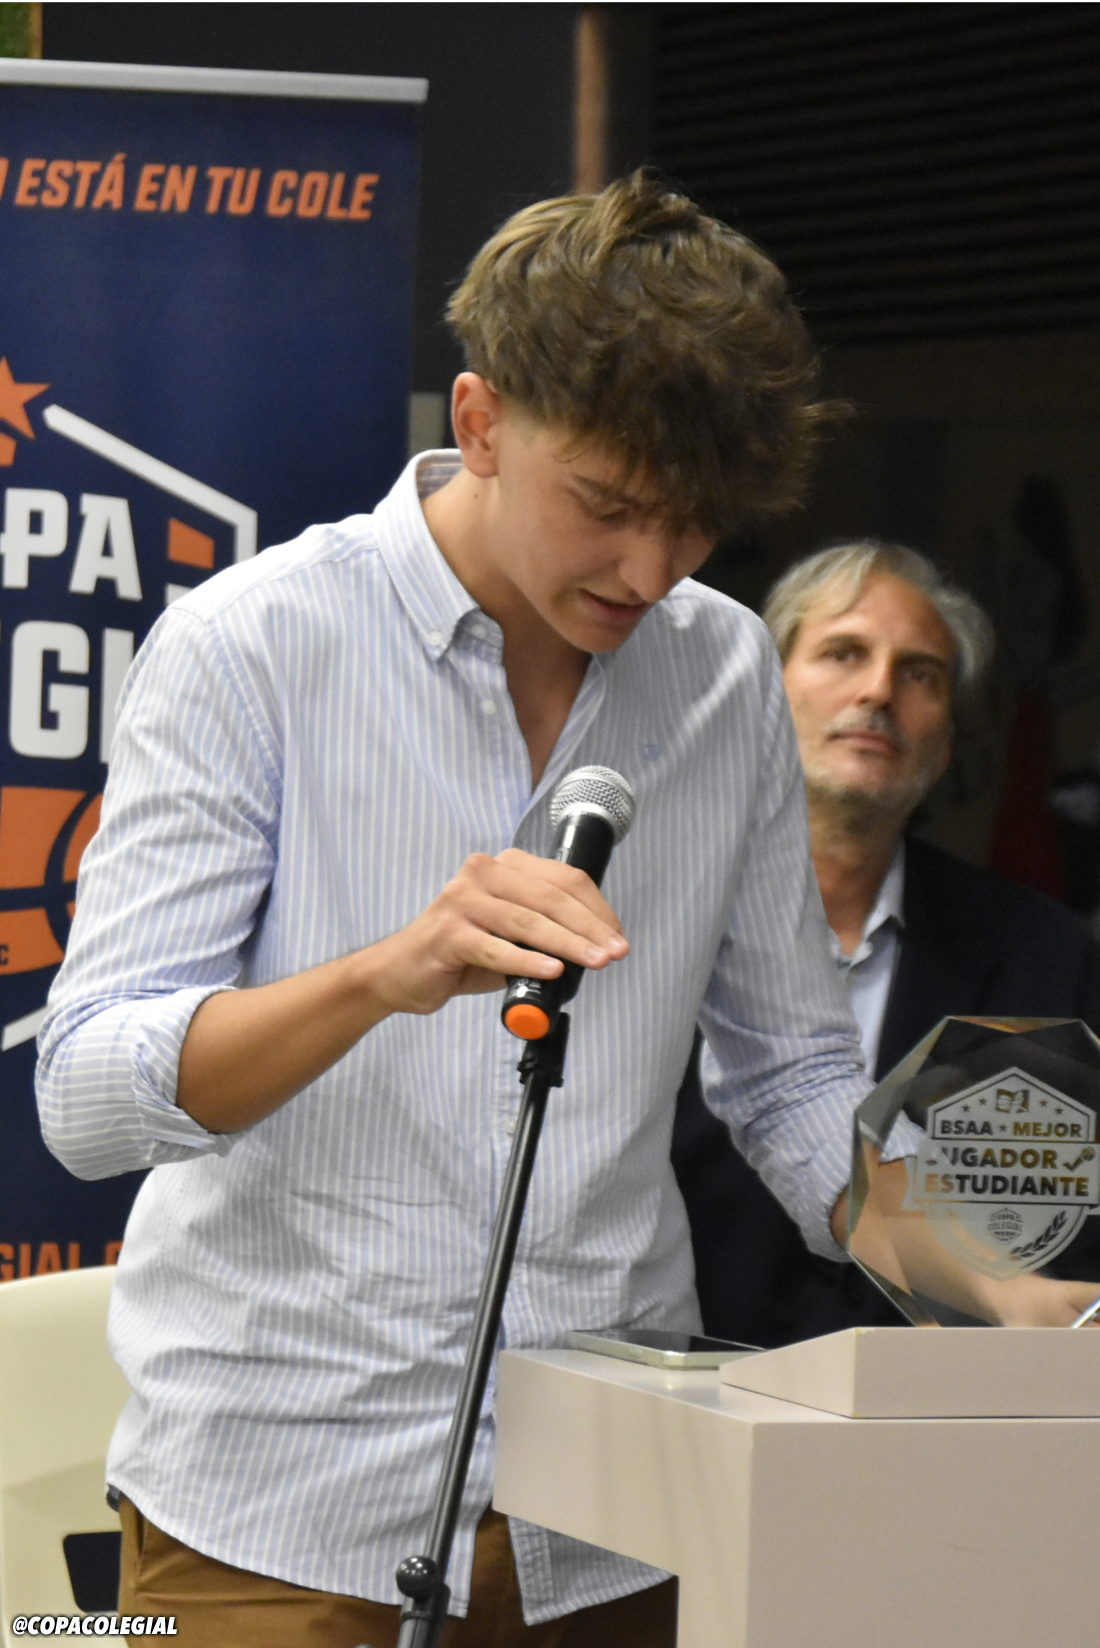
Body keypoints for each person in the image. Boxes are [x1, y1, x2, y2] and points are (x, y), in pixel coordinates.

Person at [36, 181, 1093, 1645]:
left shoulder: (723, 669)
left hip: (605, 1514)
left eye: (696, 522)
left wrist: (998, 1283)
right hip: (281, 1512)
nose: (651, 572)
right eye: (607, 505)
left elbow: (790, 1077)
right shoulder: (250, 646)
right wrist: (387, 973)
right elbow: (88, 1096)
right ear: (479, 422)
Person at [673, 540, 1100, 1348]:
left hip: (945, 1406)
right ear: (761, 693)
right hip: (672, 1395)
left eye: (920, 674)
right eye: (844, 653)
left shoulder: (1046, 953)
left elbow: (1061, 1226)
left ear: (947, 741)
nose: (878, 691)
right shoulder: (653, 911)